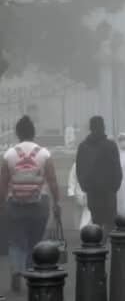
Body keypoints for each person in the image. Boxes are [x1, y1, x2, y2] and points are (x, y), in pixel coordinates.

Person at [0, 116, 60, 293]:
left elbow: (3, 182)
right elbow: (53, 181)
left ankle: (16, 271)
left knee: (16, 241)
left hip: (14, 204)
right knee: (35, 240)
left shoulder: (9, 154)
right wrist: (57, 202)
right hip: (39, 204)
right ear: (33, 132)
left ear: (18, 133)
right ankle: (31, 272)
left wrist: (1, 203)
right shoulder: (44, 154)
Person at [76, 116, 122, 234]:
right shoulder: (110, 145)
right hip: (108, 192)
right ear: (103, 127)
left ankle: (97, 246)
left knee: (96, 222)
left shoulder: (83, 147)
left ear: (90, 128)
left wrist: (85, 187)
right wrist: (114, 187)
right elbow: (117, 169)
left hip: (92, 192)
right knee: (110, 224)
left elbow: (79, 169)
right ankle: (109, 247)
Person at [67, 162, 91, 230]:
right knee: (80, 214)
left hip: (85, 193)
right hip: (80, 193)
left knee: (86, 212)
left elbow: (72, 179)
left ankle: (82, 229)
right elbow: (72, 178)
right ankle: (80, 229)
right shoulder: (77, 164)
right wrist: (71, 192)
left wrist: (71, 192)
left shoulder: (77, 164)